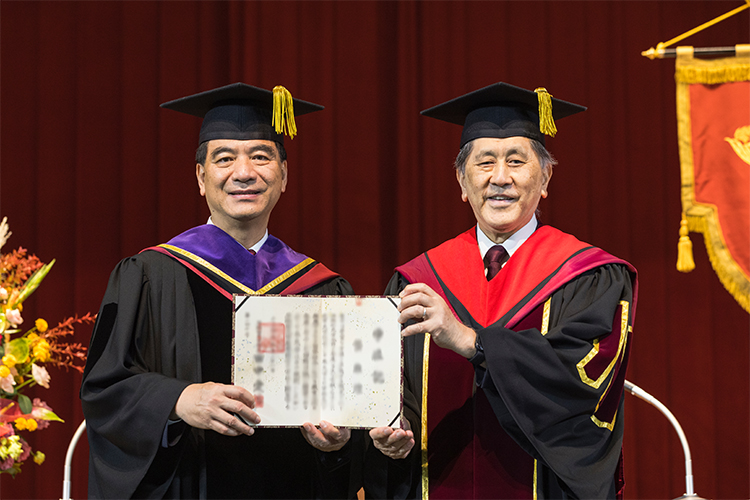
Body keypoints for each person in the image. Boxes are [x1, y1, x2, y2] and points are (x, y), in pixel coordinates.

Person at [80, 83, 360, 499]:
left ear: (284, 175)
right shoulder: (151, 276)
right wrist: (178, 400)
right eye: (224, 158)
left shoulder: (322, 289)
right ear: (200, 176)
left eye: (261, 157)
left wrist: (339, 443)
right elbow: (104, 390)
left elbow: (352, 416)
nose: (243, 172)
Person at [367, 82, 638, 499]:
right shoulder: (417, 281)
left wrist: (473, 343)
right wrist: (394, 431)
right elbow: (393, 391)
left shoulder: (588, 277)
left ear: (545, 177)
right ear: (462, 181)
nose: (500, 178)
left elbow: (583, 390)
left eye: (516, 161)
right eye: (484, 163)